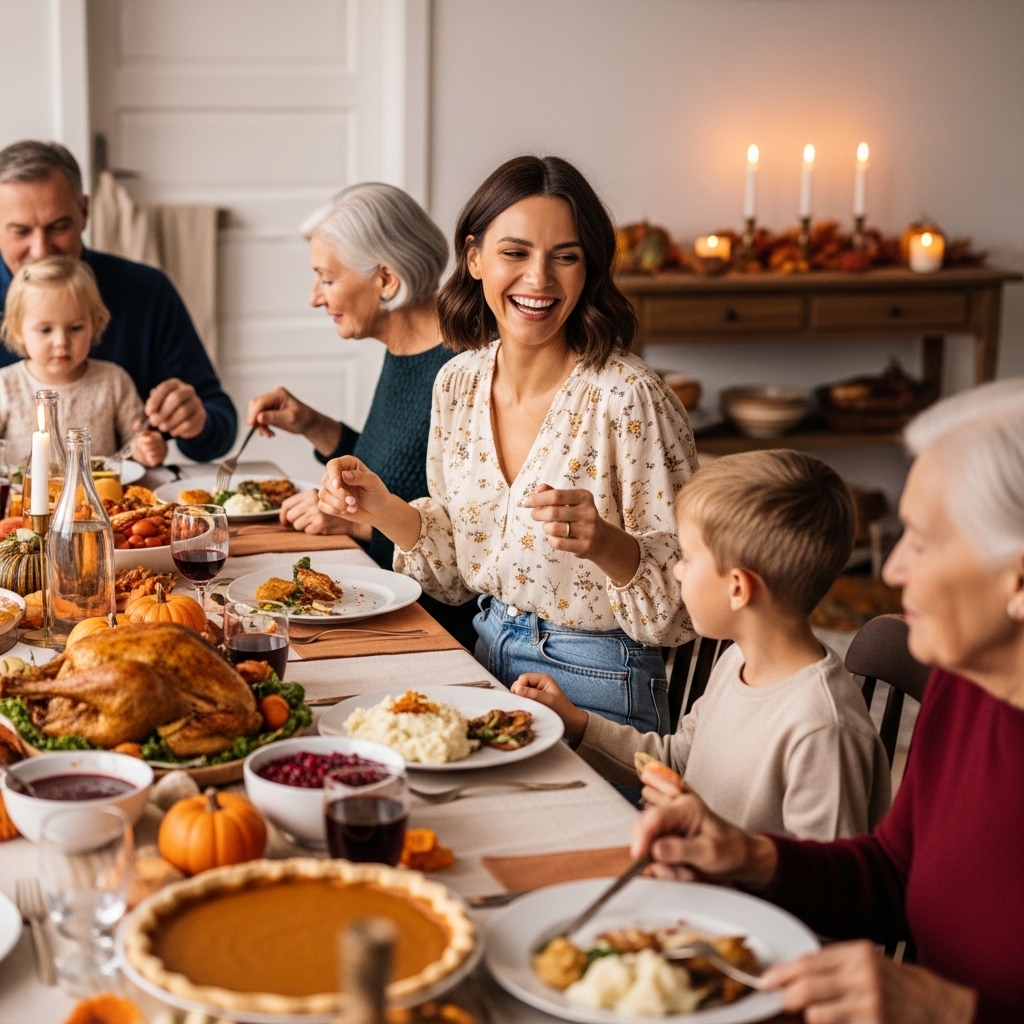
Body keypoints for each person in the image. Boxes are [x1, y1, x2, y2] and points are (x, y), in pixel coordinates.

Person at [631, 379, 1024, 1024]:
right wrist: (749, 855)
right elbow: (896, 872)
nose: (891, 570)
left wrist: (951, 1012)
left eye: (922, 542)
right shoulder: (965, 682)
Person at [317, 155, 698, 736]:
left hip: (600, 678)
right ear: (473, 259)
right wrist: (381, 509)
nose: (539, 279)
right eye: (515, 253)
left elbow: (682, 607)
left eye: (565, 257)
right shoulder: (459, 382)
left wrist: (605, 543)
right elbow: (452, 571)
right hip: (482, 649)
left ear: (588, 268)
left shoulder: (629, 399)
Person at [514, 449, 890, 840]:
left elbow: (825, 889)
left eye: (688, 559)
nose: (676, 569)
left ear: (739, 589)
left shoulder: (823, 728)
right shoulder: (737, 662)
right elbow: (677, 762)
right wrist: (578, 725)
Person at [246, 182, 477, 648]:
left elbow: (472, 548)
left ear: (386, 280)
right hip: (387, 602)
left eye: (327, 279)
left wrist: (359, 524)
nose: (315, 297)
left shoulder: (461, 369)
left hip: (431, 630)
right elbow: (389, 473)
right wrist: (313, 424)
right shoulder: (405, 349)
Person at [0, 140, 236, 462]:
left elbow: (219, 424)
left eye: (58, 226)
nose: (40, 249)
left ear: (84, 212)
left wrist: (196, 421)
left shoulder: (146, 291)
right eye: (20, 232)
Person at [0, 256, 165, 467]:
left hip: (100, 498)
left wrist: (148, 449)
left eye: (75, 328)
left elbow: (135, 445)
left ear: (94, 324)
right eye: (45, 330)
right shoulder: (6, 385)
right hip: (23, 498)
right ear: (18, 330)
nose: (61, 342)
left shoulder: (113, 380)